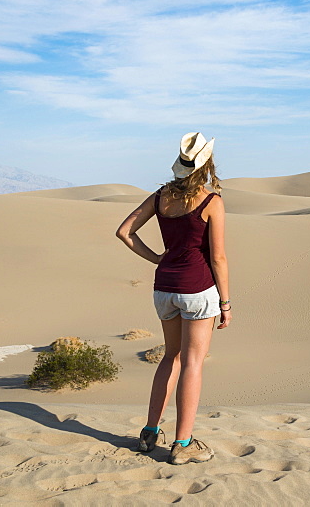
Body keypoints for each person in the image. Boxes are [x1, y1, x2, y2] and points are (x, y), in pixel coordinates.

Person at [116, 132, 231, 465]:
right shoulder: (212, 202)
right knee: (192, 363)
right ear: (206, 164)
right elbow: (219, 257)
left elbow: (124, 232)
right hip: (198, 290)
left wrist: (157, 259)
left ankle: (150, 432)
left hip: (164, 289)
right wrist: (225, 303)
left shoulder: (160, 196)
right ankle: (183, 443)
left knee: (171, 357)